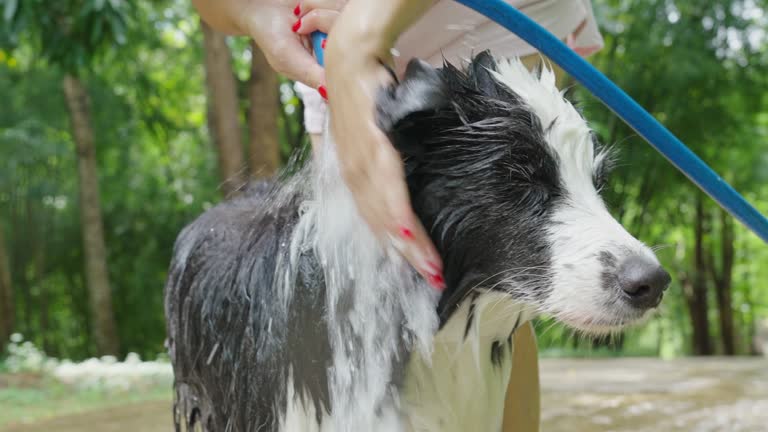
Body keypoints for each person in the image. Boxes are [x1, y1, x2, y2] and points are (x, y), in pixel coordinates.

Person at [192, 1, 603, 430]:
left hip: (486, 10)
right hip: (328, 25)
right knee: (353, 273)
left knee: (492, 286)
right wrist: (258, 14)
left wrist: (362, 36)